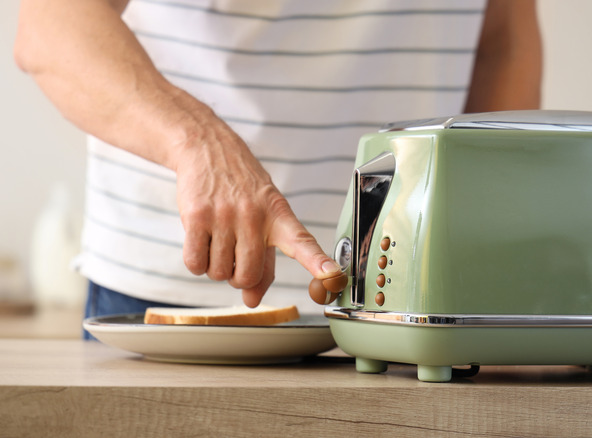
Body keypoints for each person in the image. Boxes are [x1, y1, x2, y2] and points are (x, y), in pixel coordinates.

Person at [14, 0, 542, 323]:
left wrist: (496, 258)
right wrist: (200, 144)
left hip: (418, 308)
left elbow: (501, 38)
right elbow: (51, 24)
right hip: (173, 299)